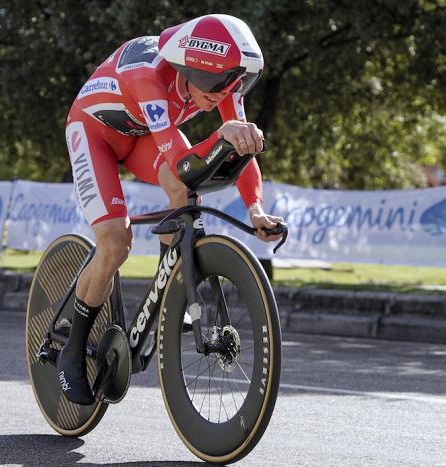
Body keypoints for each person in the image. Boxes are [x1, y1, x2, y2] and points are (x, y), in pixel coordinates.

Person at [59, 14, 285, 405]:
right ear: (187, 66)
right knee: (115, 243)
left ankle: (169, 295)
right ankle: (72, 348)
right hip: (94, 132)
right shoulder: (148, 76)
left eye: (233, 84)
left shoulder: (224, 80)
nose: (222, 93)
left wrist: (256, 209)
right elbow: (182, 159)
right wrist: (219, 135)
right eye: (214, 84)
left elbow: (241, 151)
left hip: (140, 134)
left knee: (185, 190)